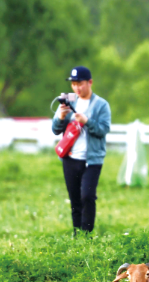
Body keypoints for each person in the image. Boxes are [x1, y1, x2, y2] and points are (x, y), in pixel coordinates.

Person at [51, 66, 111, 235]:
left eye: (80, 83)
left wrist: (87, 121)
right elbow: (55, 129)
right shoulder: (69, 102)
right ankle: (77, 236)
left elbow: (103, 130)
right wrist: (61, 117)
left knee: (87, 196)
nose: (77, 88)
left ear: (90, 82)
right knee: (75, 199)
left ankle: (87, 235)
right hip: (70, 159)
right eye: (74, 84)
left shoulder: (101, 105)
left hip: (92, 160)